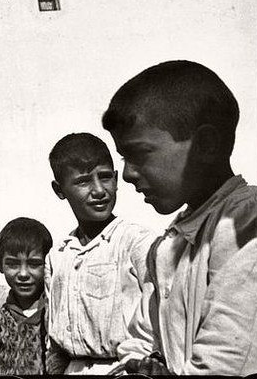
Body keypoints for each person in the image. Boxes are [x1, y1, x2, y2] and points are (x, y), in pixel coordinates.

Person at [104, 60, 257, 375]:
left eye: (139, 153)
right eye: (124, 158)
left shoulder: (246, 219)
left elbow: (228, 361)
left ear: (205, 145)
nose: (126, 174)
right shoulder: (168, 245)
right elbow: (141, 340)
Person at [43, 132, 154, 374]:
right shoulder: (58, 255)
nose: (99, 190)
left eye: (105, 177)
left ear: (116, 178)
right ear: (59, 190)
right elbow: (54, 339)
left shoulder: (136, 242)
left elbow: (160, 322)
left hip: (126, 370)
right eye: (83, 182)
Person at [0, 217, 52, 376]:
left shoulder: (54, 315)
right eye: (13, 264)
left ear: (48, 264)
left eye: (34, 264)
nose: (23, 274)